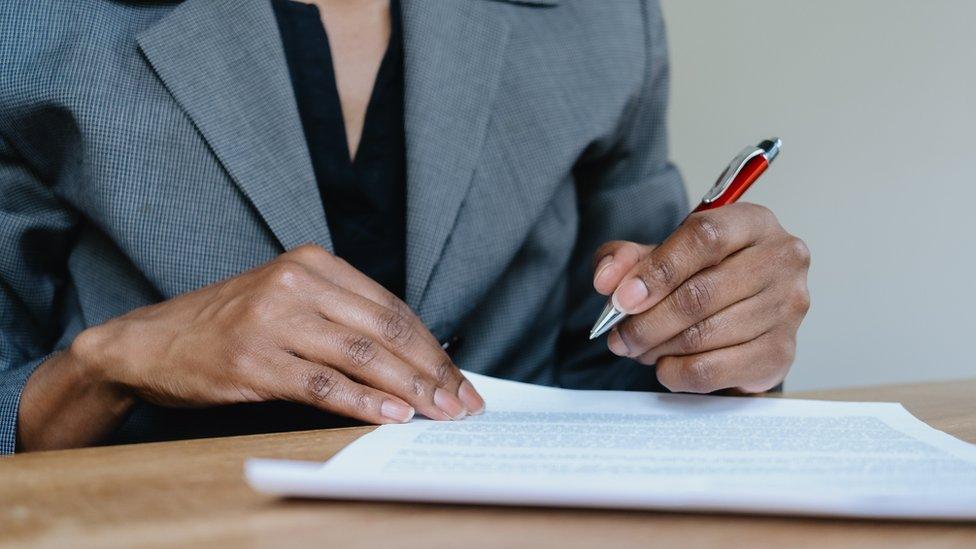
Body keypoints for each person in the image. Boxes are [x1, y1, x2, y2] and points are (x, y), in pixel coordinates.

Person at [0, 0, 810, 454]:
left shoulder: (600, 22)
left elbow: (621, 367)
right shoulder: (31, 27)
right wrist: (108, 364)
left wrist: (723, 339)